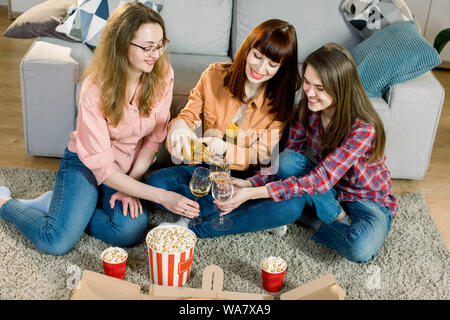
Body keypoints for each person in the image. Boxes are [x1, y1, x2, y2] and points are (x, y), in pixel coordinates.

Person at [0, 2, 198, 255]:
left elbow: (153, 140)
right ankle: (5, 203)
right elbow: (103, 169)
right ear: (121, 44)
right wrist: (160, 196)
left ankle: (62, 207)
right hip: (86, 163)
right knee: (56, 241)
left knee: (130, 230)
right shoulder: (94, 90)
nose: (156, 54)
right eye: (147, 47)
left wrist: (131, 184)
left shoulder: (162, 74)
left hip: (125, 170)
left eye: (160, 45)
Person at [190, 43, 398, 264]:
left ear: (341, 88)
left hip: (364, 200)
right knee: (289, 161)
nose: (310, 93)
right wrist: (251, 183)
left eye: (320, 88)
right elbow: (286, 162)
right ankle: (320, 215)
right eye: (307, 83)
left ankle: (320, 220)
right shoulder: (307, 110)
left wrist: (254, 193)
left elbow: (321, 179)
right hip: (325, 191)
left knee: (360, 248)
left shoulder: (362, 128)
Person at [147, 19, 300, 226]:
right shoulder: (214, 76)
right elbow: (188, 116)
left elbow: (263, 155)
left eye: (272, 65)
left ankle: (196, 217)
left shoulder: (280, 102)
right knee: (156, 181)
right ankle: (236, 211)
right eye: (257, 56)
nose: (261, 68)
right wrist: (180, 128)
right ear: (248, 49)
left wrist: (225, 148)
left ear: (282, 68)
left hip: (242, 177)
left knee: (286, 205)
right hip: (206, 168)